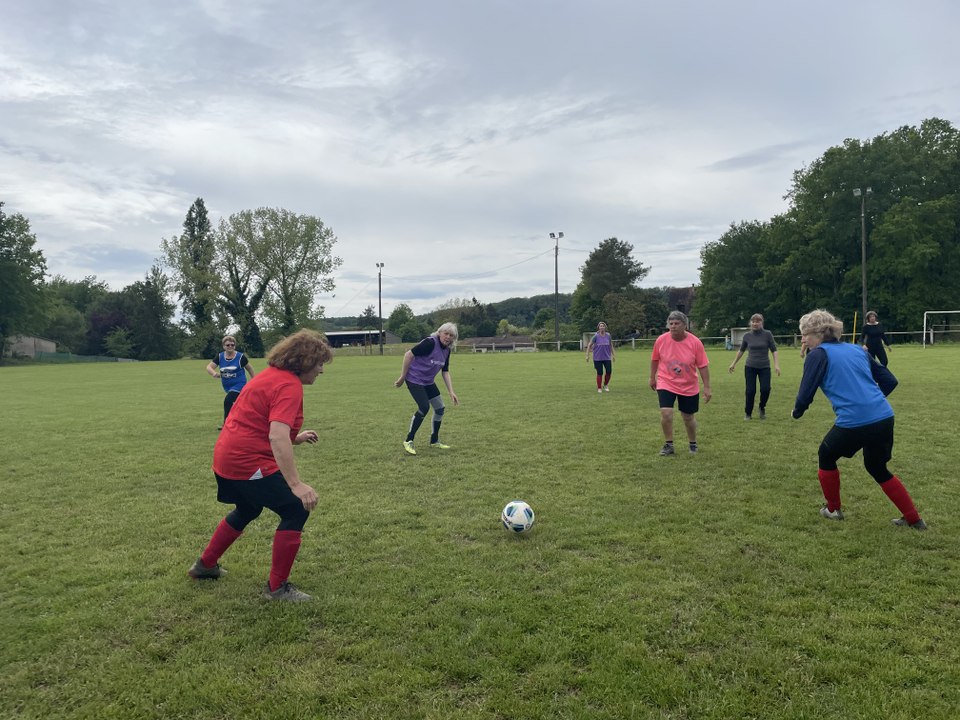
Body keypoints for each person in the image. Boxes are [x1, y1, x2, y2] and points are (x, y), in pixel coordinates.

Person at [188, 329, 335, 601]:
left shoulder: (270, 374)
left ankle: (205, 566)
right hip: (246, 461)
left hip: (226, 456)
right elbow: (275, 434)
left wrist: (296, 437)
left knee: (248, 507)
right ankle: (277, 588)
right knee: (295, 508)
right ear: (303, 362)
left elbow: (260, 419)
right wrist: (296, 484)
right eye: (319, 364)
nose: (321, 371)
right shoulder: (288, 385)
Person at [791, 309, 925, 530]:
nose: (803, 339)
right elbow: (890, 381)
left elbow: (805, 394)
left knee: (826, 454)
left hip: (855, 421)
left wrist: (797, 411)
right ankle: (914, 519)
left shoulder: (817, 354)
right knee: (877, 467)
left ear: (816, 333)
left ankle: (833, 510)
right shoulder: (857, 350)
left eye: (804, 334)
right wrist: (871, 403)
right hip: (884, 416)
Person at [649, 311, 712, 455]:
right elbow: (654, 359)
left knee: (688, 417)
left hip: (688, 384)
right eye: (670, 324)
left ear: (685, 325)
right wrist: (652, 377)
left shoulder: (695, 342)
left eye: (677, 324)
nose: (673, 326)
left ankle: (693, 443)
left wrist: (707, 387)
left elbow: (703, 366)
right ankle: (669, 445)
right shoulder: (661, 340)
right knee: (666, 413)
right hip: (666, 381)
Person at [395, 322, 460, 455]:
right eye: (445, 333)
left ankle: (434, 441)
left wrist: (451, 391)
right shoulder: (430, 343)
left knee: (440, 408)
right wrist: (402, 377)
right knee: (424, 407)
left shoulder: (447, 350)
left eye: (451, 335)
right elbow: (408, 355)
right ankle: (409, 440)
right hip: (414, 378)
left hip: (428, 381)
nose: (448, 337)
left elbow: (445, 371)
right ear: (439, 332)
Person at [728, 313, 781, 420]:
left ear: (762, 323)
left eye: (758, 321)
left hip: (764, 366)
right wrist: (733, 363)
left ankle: (762, 407)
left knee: (766, 389)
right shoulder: (747, 336)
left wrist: (776, 365)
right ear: (750, 323)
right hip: (750, 367)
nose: (755, 323)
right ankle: (748, 413)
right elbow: (741, 350)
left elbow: (774, 350)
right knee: (750, 391)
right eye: (753, 321)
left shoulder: (768, 334)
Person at [206, 335, 255, 429]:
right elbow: (209, 367)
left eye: (232, 345)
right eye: (228, 345)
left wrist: (253, 380)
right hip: (227, 386)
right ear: (224, 346)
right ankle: (247, 422)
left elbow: (250, 368)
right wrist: (214, 373)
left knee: (228, 401)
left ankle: (227, 424)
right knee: (242, 404)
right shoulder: (220, 356)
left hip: (239, 384)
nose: (230, 347)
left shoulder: (240, 357)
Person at [585, 321, 616, 393]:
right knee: (600, 372)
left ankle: (605, 385)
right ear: (598, 328)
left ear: (605, 327)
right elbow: (589, 345)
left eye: (603, 326)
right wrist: (587, 355)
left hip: (607, 357)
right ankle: (599, 387)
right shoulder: (596, 336)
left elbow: (610, 345)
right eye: (600, 326)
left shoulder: (608, 335)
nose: (602, 327)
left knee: (609, 371)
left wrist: (613, 355)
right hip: (597, 358)